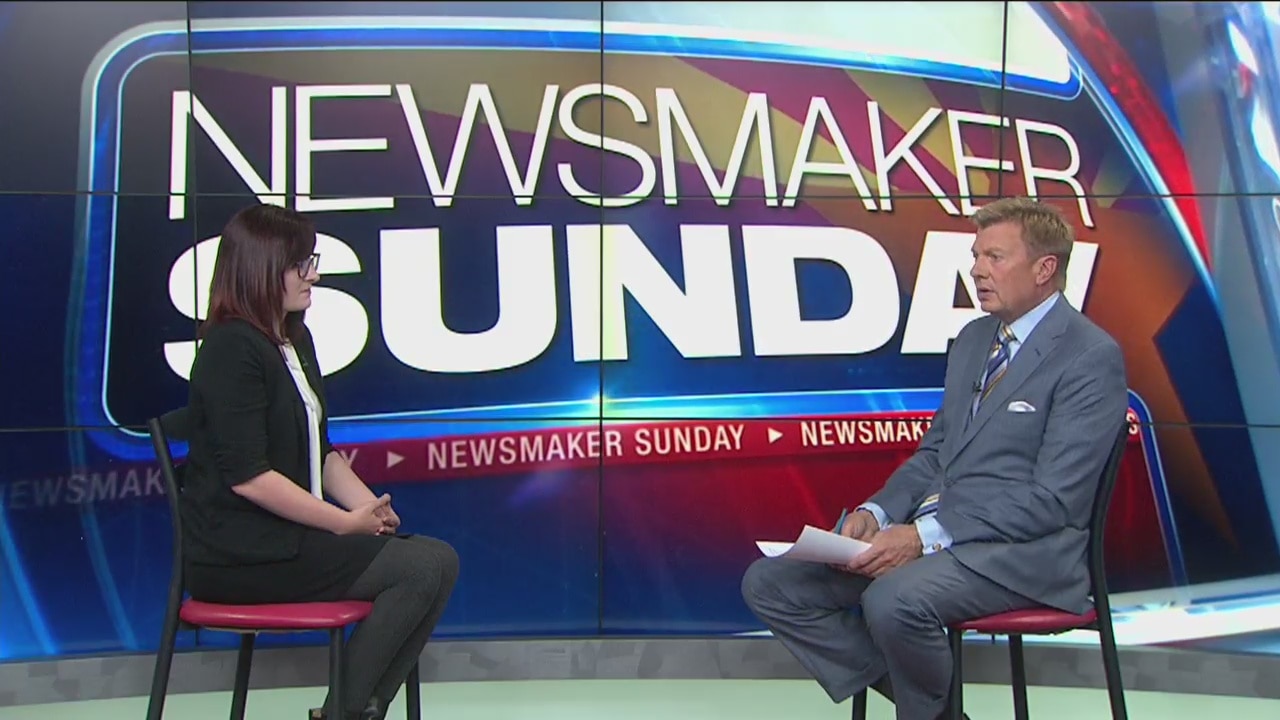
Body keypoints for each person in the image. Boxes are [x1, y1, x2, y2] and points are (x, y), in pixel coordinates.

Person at [740, 197, 1128, 720]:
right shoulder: (973, 339)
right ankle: (942, 714)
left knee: (893, 601)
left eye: (994, 257)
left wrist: (923, 537)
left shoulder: (1089, 356)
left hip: (1021, 556)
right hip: (936, 541)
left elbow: (1053, 501)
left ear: (1044, 269)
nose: (977, 270)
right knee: (772, 583)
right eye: (976, 256)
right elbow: (938, 453)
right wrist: (877, 512)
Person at [180, 204, 459, 720]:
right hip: (240, 556)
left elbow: (320, 449)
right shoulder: (230, 349)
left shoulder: (294, 339)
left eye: (312, 261)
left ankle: (352, 711)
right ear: (262, 269)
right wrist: (342, 523)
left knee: (439, 560)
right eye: (300, 264)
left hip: (290, 542)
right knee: (419, 567)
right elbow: (250, 478)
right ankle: (345, 714)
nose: (314, 275)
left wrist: (368, 508)